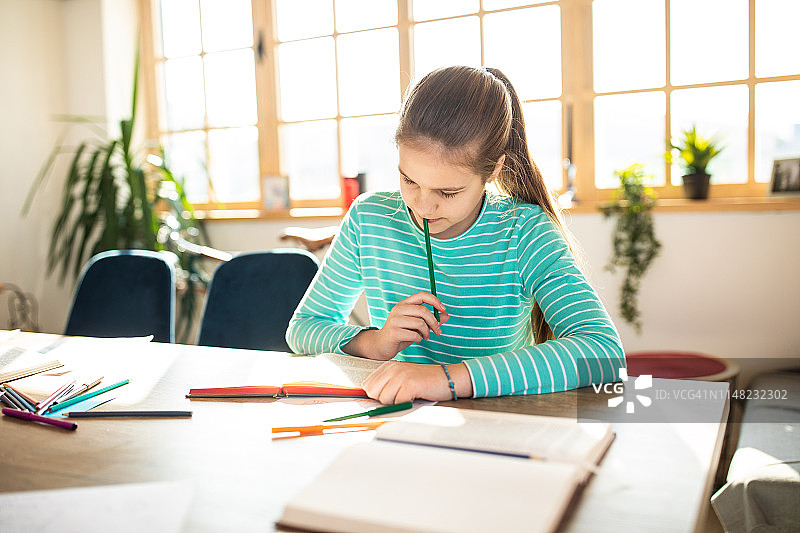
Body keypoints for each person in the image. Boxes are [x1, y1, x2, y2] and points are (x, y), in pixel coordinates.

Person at [286, 66, 625, 404]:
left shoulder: (525, 231)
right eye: (409, 180)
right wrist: (374, 342)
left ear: (493, 171)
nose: (423, 206)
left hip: (496, 428)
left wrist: (446, 380)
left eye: (447, 192)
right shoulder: (368, 218)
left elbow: (603, 352)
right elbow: (303, 328)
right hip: (393, 424)